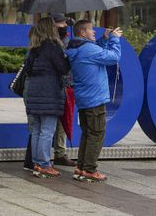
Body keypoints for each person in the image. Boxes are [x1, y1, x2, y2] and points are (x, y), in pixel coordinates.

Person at [65, 20, 122, 182]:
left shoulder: (76, 48)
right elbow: (113, 57)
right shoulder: (88, 49)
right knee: (97, 134)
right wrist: (114, 39)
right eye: (91, 30)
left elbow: (94, 52)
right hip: (95, 98)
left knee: (88, 133)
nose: (94, 32)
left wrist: (104, 40)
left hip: (84, 98)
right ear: (82, 33)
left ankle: (81, 167)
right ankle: (89, 169)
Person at [23, 17, 71, 178]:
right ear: (50, 29)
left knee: (36, 129)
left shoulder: (34, 48)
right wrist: (67, 59)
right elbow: (63, 69)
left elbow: (28, 70)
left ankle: (37, 163)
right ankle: (44, 164)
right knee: (47, 131)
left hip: (34, 91)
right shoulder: (54, 47)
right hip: (49, 92)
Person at [51, 13, 76, 166]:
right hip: (52, 86)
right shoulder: (47, 42)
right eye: (60, 23)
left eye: (64, 23)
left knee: (63, 122)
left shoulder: (68, 41)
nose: (64, 25)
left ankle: (60, 153)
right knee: (46, 124)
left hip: (66, 86)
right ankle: (40, 157)